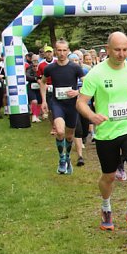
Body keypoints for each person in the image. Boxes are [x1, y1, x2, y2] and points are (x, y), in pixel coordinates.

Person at [77, 32, 127, 234]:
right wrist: (92, 116)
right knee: (108, 177)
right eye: (117, 50)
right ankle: (106, 208)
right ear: (108, 49)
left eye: (125, 49)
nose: (121, 54)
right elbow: (81, 102)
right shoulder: (96, 73)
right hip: (106, 132)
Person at [40, 40, 85, 175]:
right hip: (57, 103)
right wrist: (44, 101)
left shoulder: (75, 67)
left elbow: (88, 83)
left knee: (69, 136)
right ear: (55, 51)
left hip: (71, 105)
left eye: (64, 50)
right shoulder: (50, 68)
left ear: (68, 51)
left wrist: (77, 92)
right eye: (59, 50)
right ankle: (61, 159)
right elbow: (42, 82)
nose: (62, 53)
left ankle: (68, 157)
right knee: (60, 132)